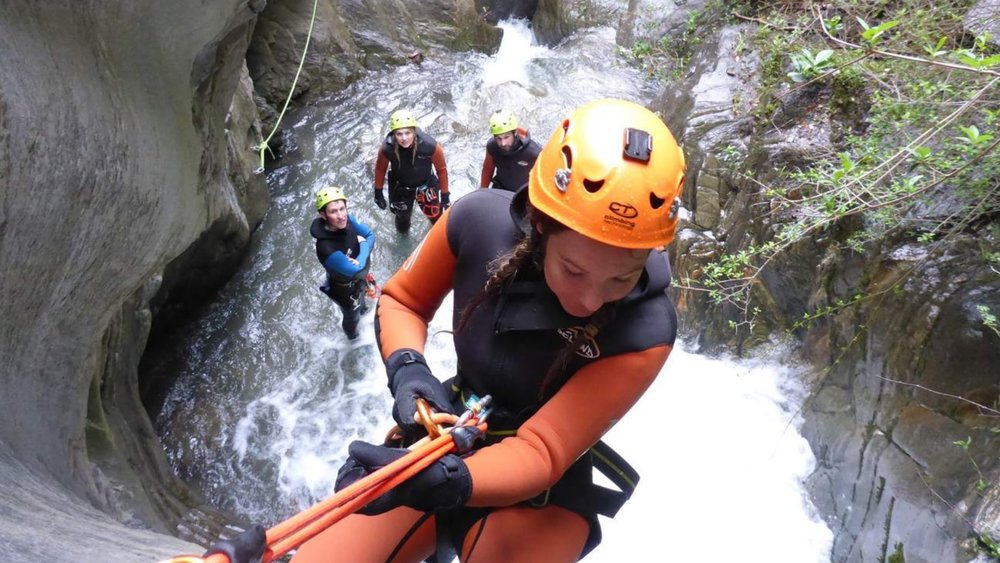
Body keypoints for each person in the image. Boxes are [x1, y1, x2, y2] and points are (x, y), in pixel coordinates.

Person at [292, 98, 686, 562]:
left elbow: (542, 451)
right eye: (574, 270)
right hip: (451, 426)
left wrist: (452, 479)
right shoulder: (478, 222)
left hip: (545, 489)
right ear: (540, 227)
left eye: (620, 279)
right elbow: (404, 301)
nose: (589, 302)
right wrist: (409, 372)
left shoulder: (647, 329)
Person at [312, 186, 376, 340]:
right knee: (351, 317)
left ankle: (365, 314)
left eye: (342, 209)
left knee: (363, 306)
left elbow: (370, 234)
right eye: (334, 211)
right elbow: (357, 269)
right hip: (345, 291)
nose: (341, 216)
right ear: (323, 215)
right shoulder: (326, 248)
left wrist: (361, 253)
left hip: (358, 280)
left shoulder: (348, 220)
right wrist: (364, 245)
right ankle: (353, 339)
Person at [372, 109, 450, 234]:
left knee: (435, 216)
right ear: (393, 134)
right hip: (401, 187)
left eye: (408, 133)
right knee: (402, 222)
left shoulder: (430, 146)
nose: (404, 138)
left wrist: (445, 197)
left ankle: (437, 237)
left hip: (426, 185)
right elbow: (380, 169)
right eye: (399, 134)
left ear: (414, 131)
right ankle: (403, 245)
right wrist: (378, 192)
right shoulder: (387, 148)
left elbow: (441, 170)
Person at [478, 109, 542, 191]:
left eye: (506, 137)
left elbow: (544, 178)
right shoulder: (492, 146)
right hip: (500, 188)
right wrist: (482, 191)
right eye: (498, 138)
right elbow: (488, 169)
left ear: (515, 133)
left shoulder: (533, 152)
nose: (503, 143)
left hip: (523, 194)